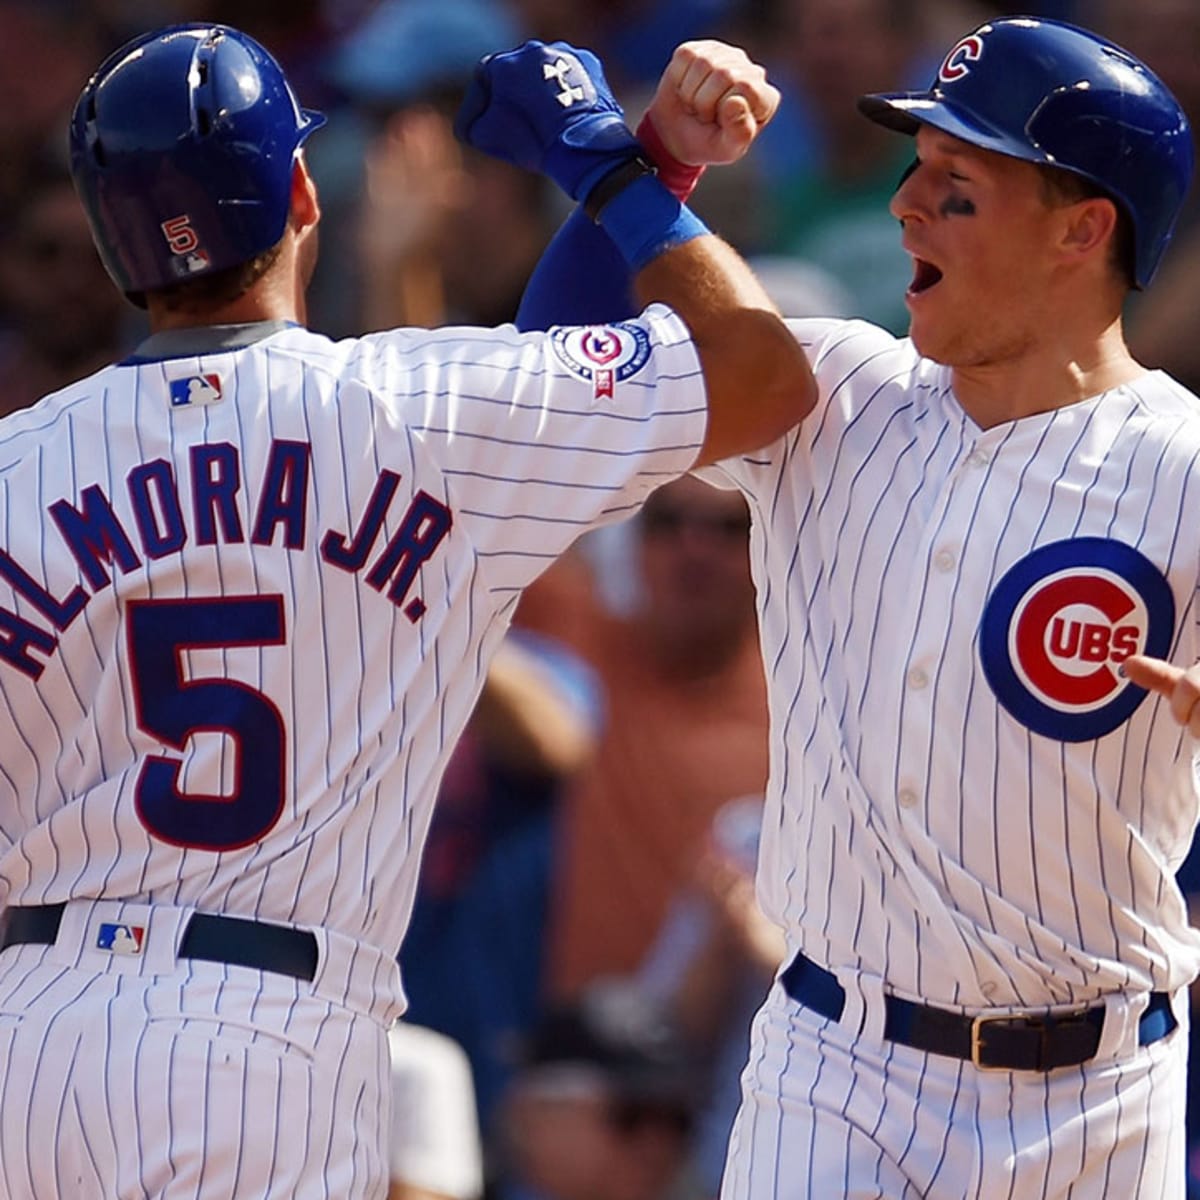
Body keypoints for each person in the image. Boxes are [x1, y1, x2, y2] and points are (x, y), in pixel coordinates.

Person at [0, 23, 814, 1200]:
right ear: (298, 191)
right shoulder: (418, 410)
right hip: (263, 1034)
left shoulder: (17, 466)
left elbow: (547, 377)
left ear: (111, 243)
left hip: (32, 1029)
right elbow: (757, 368)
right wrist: (616, 169)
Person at [509, 18, 1200, 1199]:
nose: (905, 208)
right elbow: (550, 375)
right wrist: (662, 162)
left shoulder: (1185, 465)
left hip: (1100, 1096)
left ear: (1085, 229)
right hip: (836, 1075)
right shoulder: (827, 389)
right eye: (913, 172)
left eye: (959, 189)